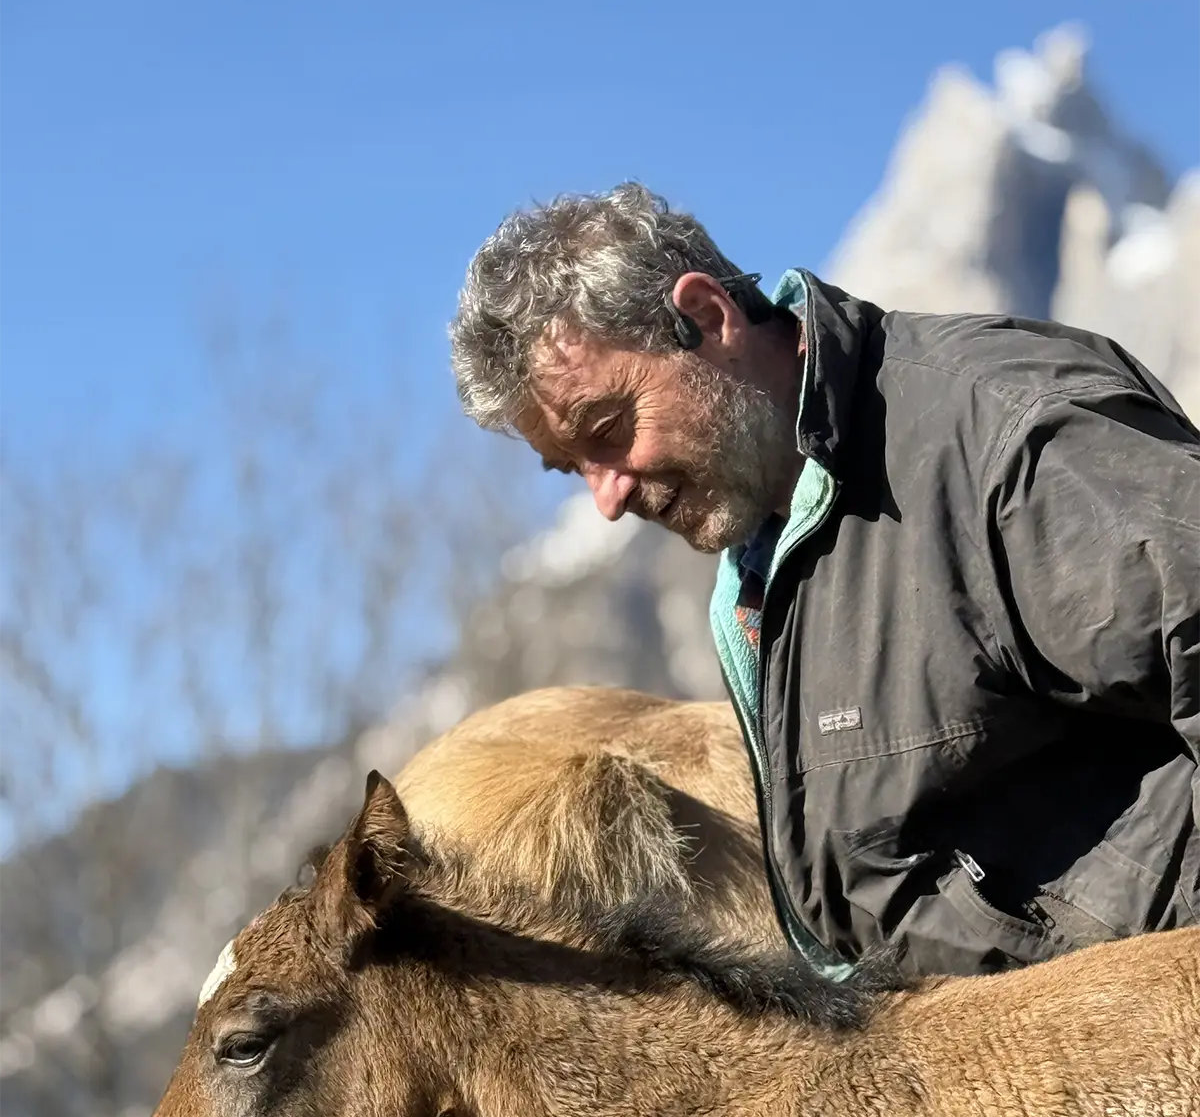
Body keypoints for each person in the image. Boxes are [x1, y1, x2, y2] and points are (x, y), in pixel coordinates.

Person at [450, 181, 1200, 981]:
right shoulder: (759, 566)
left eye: (608, 431)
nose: (607, 497)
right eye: (575, 469)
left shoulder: (1006, 437)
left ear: (708, 318)